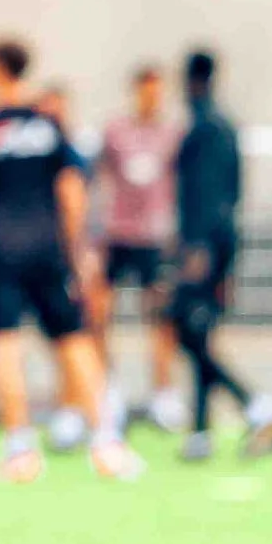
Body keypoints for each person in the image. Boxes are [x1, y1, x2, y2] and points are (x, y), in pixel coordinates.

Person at [0, 40, 134, 483]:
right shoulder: (49, 122)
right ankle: (107, 443)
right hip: (48, 249)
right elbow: (72, 191)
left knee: (5, 345)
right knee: (73, 339)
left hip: (4, 251)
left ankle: (20, 450)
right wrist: (76, 251)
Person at [171, 48, 272, 457]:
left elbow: (212, 196)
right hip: (217, 245)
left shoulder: (208, 129)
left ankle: (257, 407)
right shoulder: (220, 126)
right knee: (199, 334)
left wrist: (198, 249)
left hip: (206, 247)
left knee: (188, 331)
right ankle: (201, 430)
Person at [91, 63, 184, 427]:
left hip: (155, 238)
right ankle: (107, 390)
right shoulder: (116, 132)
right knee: (101, 312)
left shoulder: (172, 135)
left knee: (160, 317)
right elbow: (99, 181)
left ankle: (163, 393)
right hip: (118, 236)